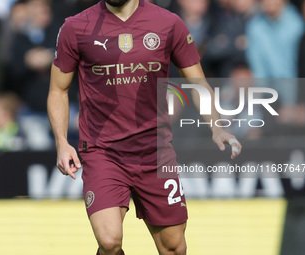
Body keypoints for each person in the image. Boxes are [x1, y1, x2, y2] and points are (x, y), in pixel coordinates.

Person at [47, 0, 242, 254]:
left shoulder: (169, 23)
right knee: (109, 241)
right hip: (103, 151)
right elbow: (57, 90)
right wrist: (62, 143)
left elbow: (197, 82)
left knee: (173, 247)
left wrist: (217, 126)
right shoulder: (76, 27)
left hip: (155, 152)